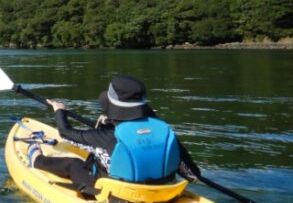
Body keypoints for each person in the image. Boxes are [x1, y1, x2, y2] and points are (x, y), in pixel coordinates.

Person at [28, 75, 201, 196]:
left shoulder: (105, 136)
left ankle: (36, 159)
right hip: (164, 193)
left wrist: (59, 111)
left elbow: (66, 133)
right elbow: (193, 175)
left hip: (118, 196)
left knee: (73, 163)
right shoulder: (164, 132)